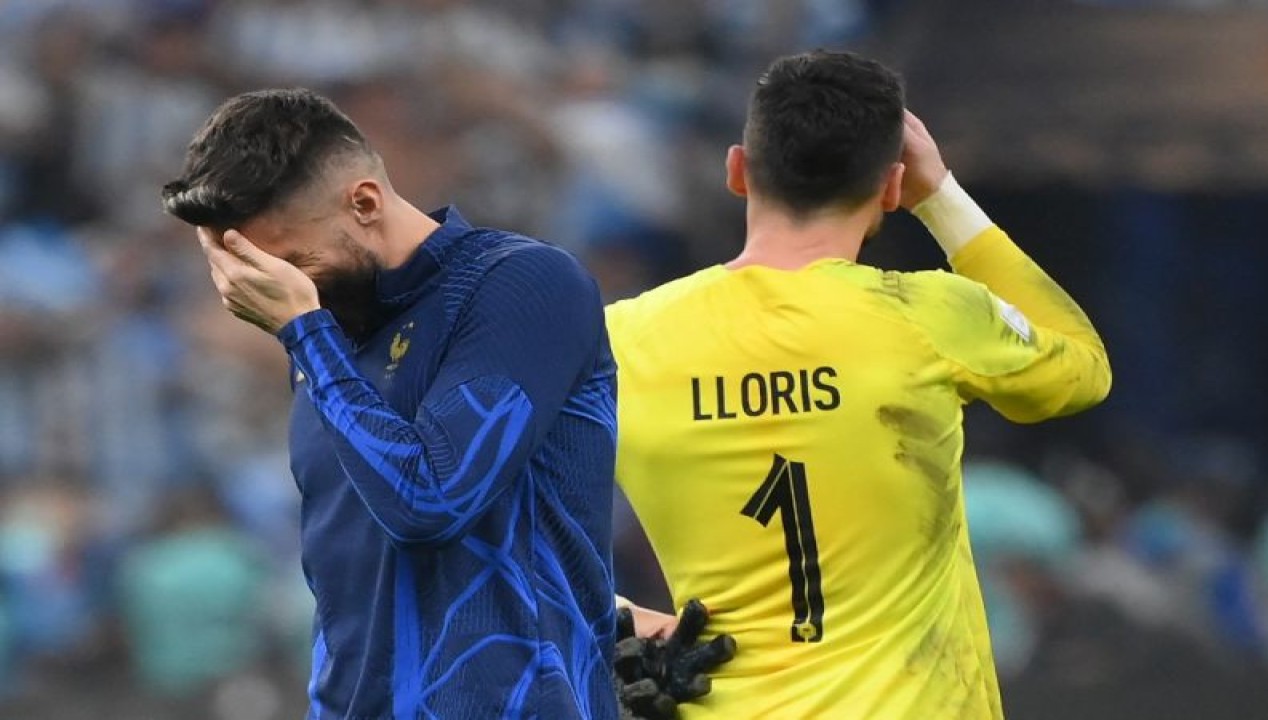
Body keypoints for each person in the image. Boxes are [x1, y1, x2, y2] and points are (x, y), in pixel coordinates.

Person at [606, 50, 1112, 719]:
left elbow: (469, 509)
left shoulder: (621, 339)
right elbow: (1083, 368)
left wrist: (609, 613)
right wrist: (945, 199)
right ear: (893, 187)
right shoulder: (932, 315)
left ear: (738, 171)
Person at [161, 89, 619, 719]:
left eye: (291, 264)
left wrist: (305, 335)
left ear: (366, 202)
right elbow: (362, 576)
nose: (278, 295)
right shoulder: (330, 338)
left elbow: (428, 502)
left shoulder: (523, 284)